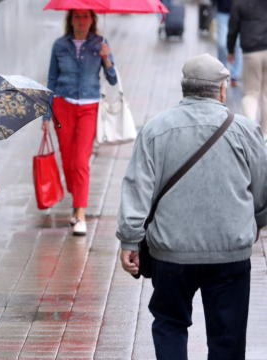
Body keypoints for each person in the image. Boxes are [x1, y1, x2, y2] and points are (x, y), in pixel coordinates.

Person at [117, 54, 267, 359]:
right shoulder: (245, 130)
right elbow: (263, 188)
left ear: (184, 89)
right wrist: (254, 224)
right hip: (229, 251)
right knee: (228, 336)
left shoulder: (155, 130)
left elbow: (137, 189)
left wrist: (130, 239)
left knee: (170, 323)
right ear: (223, 89)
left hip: (170, 252)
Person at [42, 9, 117, 236]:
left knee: (81, 160)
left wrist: (107, 58)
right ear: (70, 19)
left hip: (89, 107)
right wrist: (46, 115)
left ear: (93, 19)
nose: (82, 21)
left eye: (86, 16)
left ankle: (80, 213)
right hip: (62, 106)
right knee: (67, 161)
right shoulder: (59, 45)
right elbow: (52, 80)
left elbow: (112, 80)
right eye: (77, 16)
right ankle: (77, 202)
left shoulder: (100, 44)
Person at [227, 0, 267, 138]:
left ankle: (250, 126)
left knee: (251, 93)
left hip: (251, 52)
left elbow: (233, 27)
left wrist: (230, 49)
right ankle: (265, 135)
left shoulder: (240, 2)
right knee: (266, 95)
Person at [212, 0, 242, 86]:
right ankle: (222, 71)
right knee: (222, 44)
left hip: (239, 11)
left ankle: (235, 75)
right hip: (223, 10)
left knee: (238, 45)